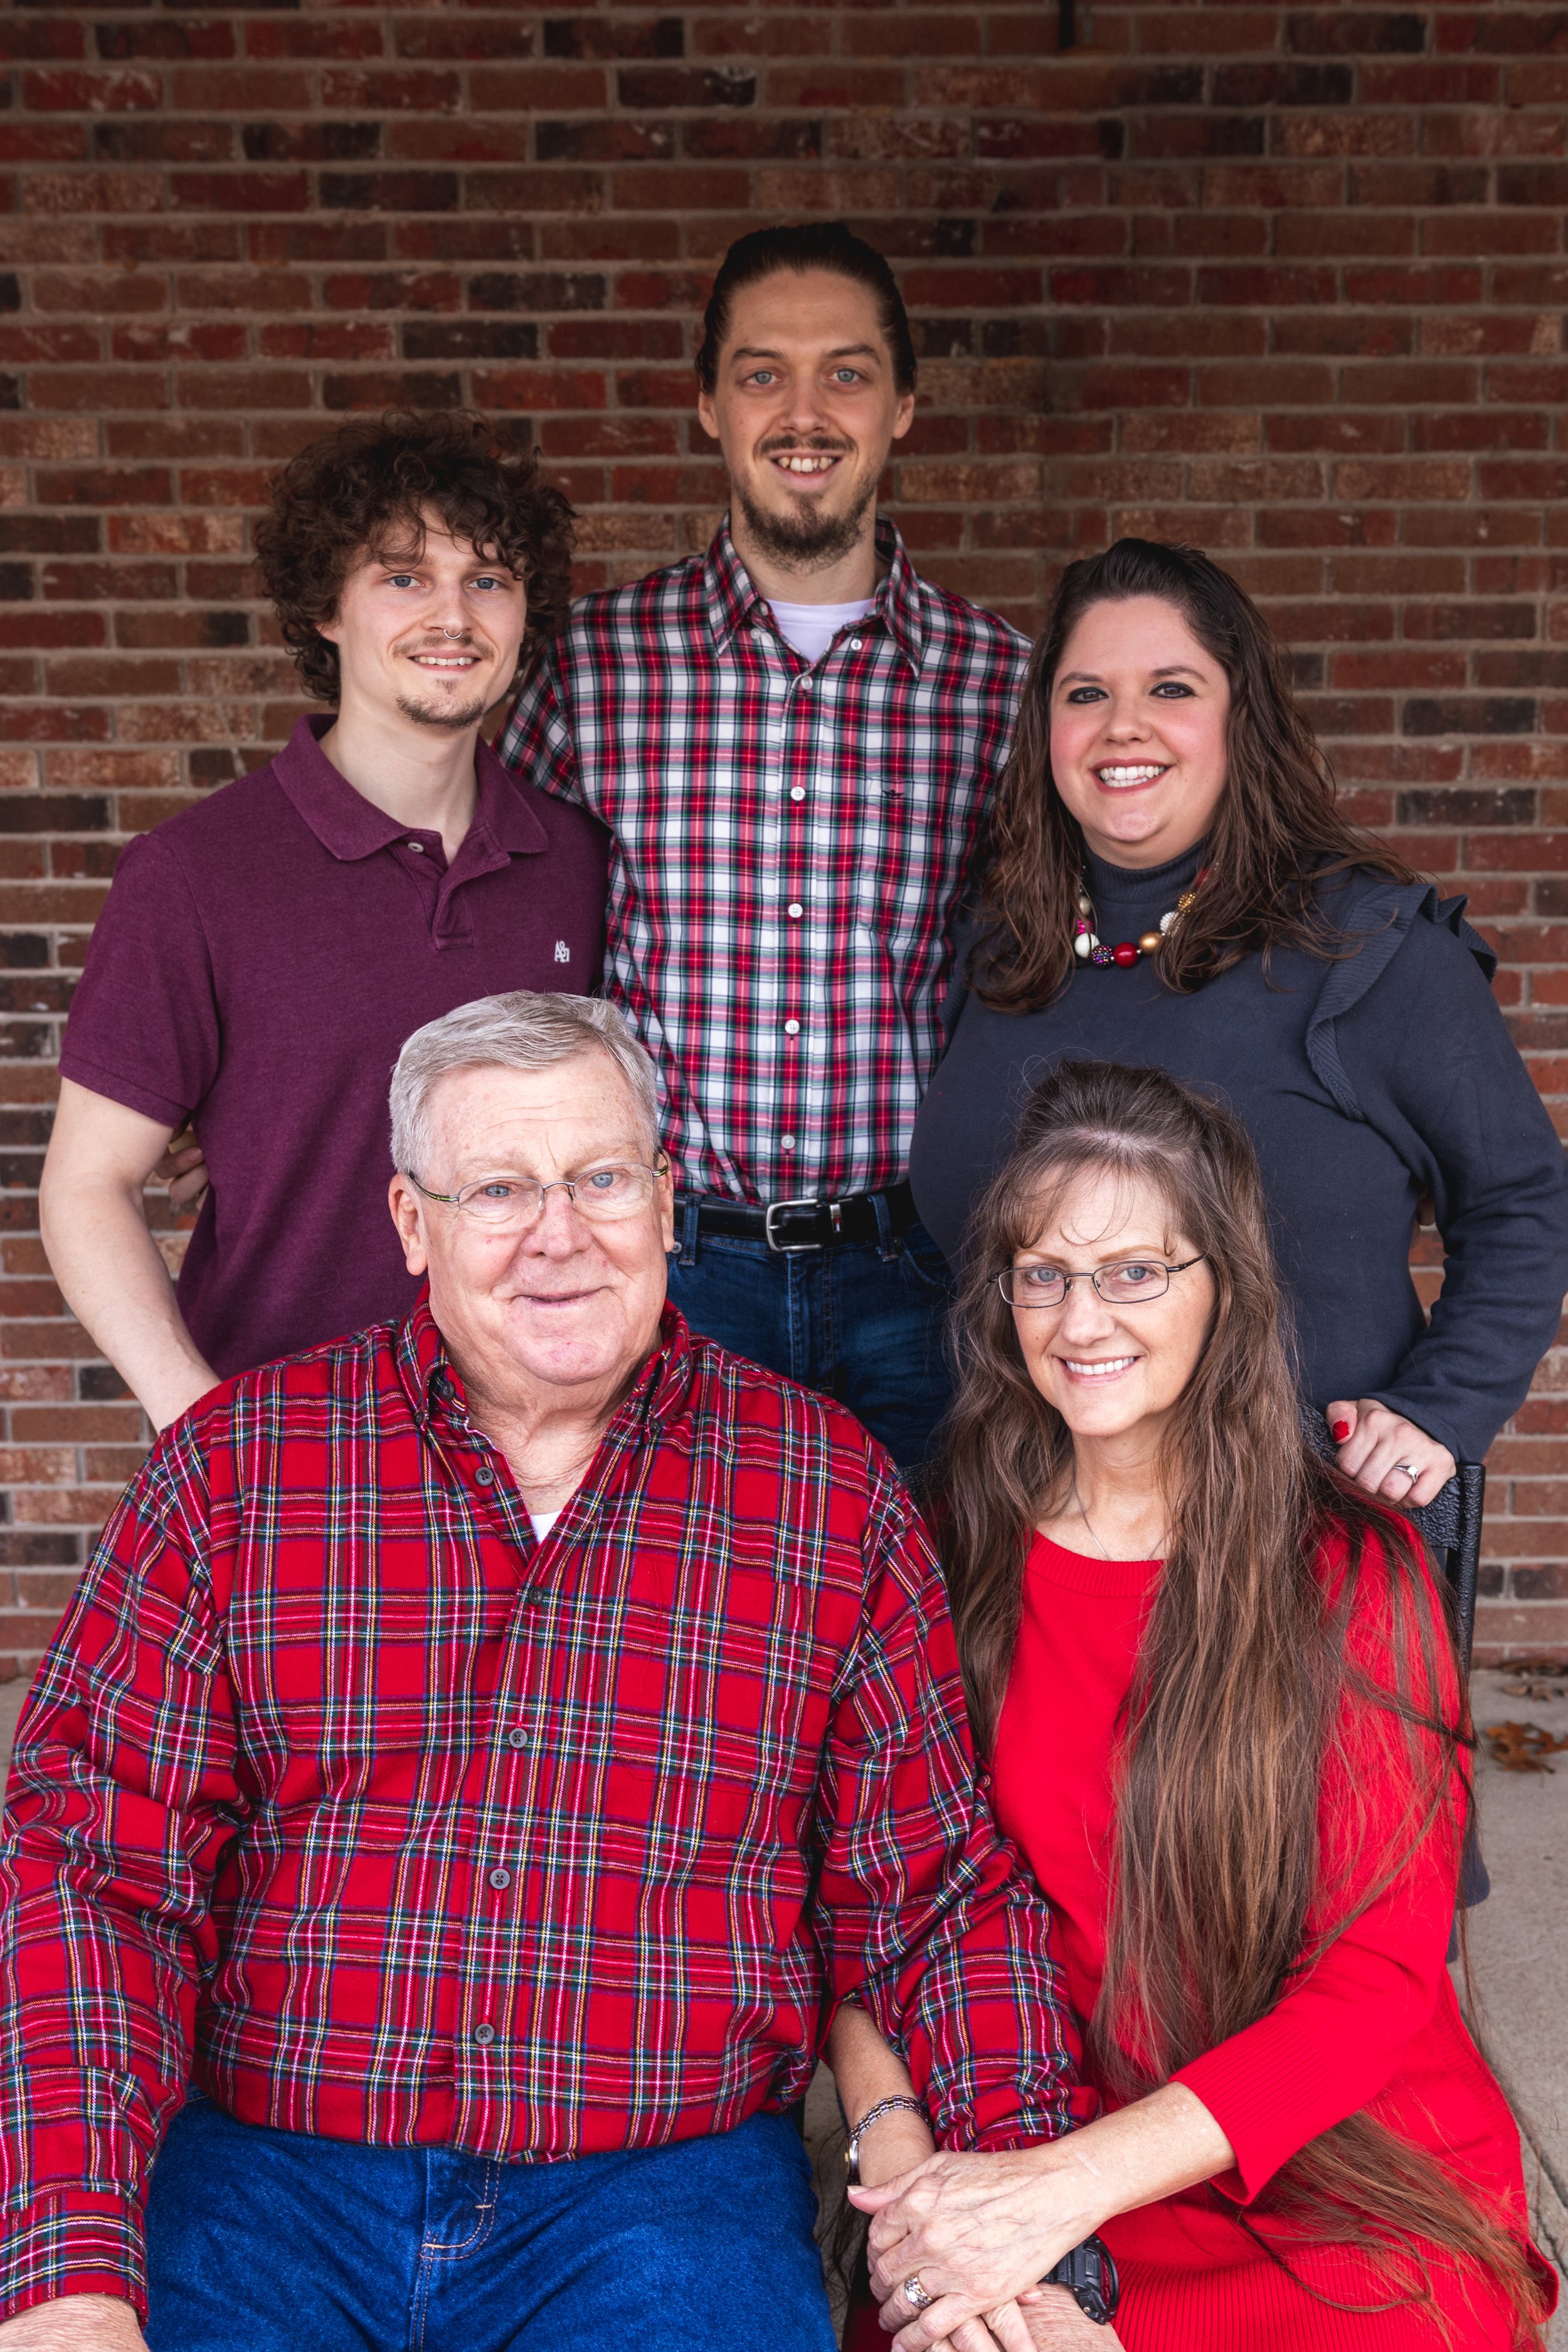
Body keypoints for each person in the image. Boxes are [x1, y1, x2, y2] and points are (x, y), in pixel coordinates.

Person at [0, 992, 1093, 2352]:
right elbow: (91, 1875)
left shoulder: (825, 1497)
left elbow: (930, 1897)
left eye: (600, 1179)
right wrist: (69, 2280)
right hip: (273, 2181)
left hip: (656, 2199)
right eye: (499, 1188)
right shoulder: (235, 1476)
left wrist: (1040, 2239)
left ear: (668, 1201)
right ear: (412, 1223)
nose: (558, 1235)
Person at [837, 1059, 1556, 2352]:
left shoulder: (1342, 1569)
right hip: (1031, 2123)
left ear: (1220, 1287)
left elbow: (1372, 1985)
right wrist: (916, 2188)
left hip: (1330, 2165)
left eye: (1133, 1272)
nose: (1079, 1317)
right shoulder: (946, 1552)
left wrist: (1057, 2198)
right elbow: (872, 1906)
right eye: (1042, 1272)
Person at [501, 222, 1030, 1473]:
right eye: (761, 374)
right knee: (681, 1648)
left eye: (845, 372)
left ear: (903, 406)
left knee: (926, 1635)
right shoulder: (590, 668)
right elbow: (473, 926)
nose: (805, 411)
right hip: (672, 1270)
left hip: (926, 1272)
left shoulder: (999, 683)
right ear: (706, 405)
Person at [909, 539, 1568, 1507]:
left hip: (1298, 1537)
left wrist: (1442, 1406)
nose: (1122, 727)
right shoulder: (1002, 951)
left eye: (1171, 688)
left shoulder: (1364, 947)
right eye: (1085, 693)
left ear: (1239, 717)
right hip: (1027, 1532)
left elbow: (1521, 1197)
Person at [39, 413, 607, 1431]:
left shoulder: (574, 862)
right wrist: (200, 1432)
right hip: (287, 1456)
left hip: (540, 1448)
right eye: (403, 577)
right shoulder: (194, 874)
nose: (452, 615)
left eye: (488, 580)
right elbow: (88, 1188)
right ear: (327, 610)